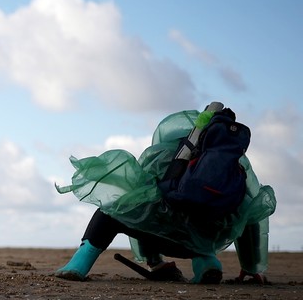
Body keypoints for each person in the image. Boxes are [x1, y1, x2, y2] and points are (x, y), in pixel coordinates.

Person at [55, 103, 276, 284]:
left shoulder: (164, 152)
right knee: (203, 224)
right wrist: (251, 266)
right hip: (201, 242)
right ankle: (207, 263)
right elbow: (253, 216)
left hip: (161, 235)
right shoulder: (236, 167)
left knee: (118, 209)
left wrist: (151, 259)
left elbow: (139, 201)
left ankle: (80, 263)